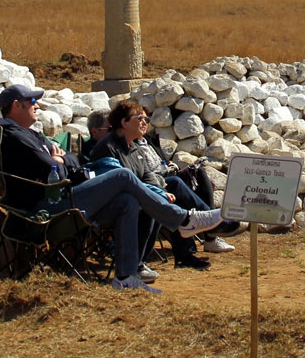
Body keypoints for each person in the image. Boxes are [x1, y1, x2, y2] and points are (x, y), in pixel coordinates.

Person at [0, 84, 225, 293]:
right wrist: (60, 162)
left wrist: (62, 161)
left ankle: (125, 276)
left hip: (65, 196)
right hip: (47, 207)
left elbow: (74, 162)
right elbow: (56, 168)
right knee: (122, 175)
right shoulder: (14, 136)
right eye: (32, 102)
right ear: (16, 105)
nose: (38, 106)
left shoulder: (33, 135)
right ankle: (183, 221)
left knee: (128, 201)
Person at [91, 100, 243, 271]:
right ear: (124, 122)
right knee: (163, 194)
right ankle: (203, 226)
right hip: (116, 203)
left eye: (146, 119)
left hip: (143, 192)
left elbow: (147, 176)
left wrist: (160, 191)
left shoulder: (134, 147)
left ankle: (195, 236)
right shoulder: (108, 147)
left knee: (182, 182)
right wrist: (158, 192)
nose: (145, 122)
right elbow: (123, 182)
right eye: (140, 118)